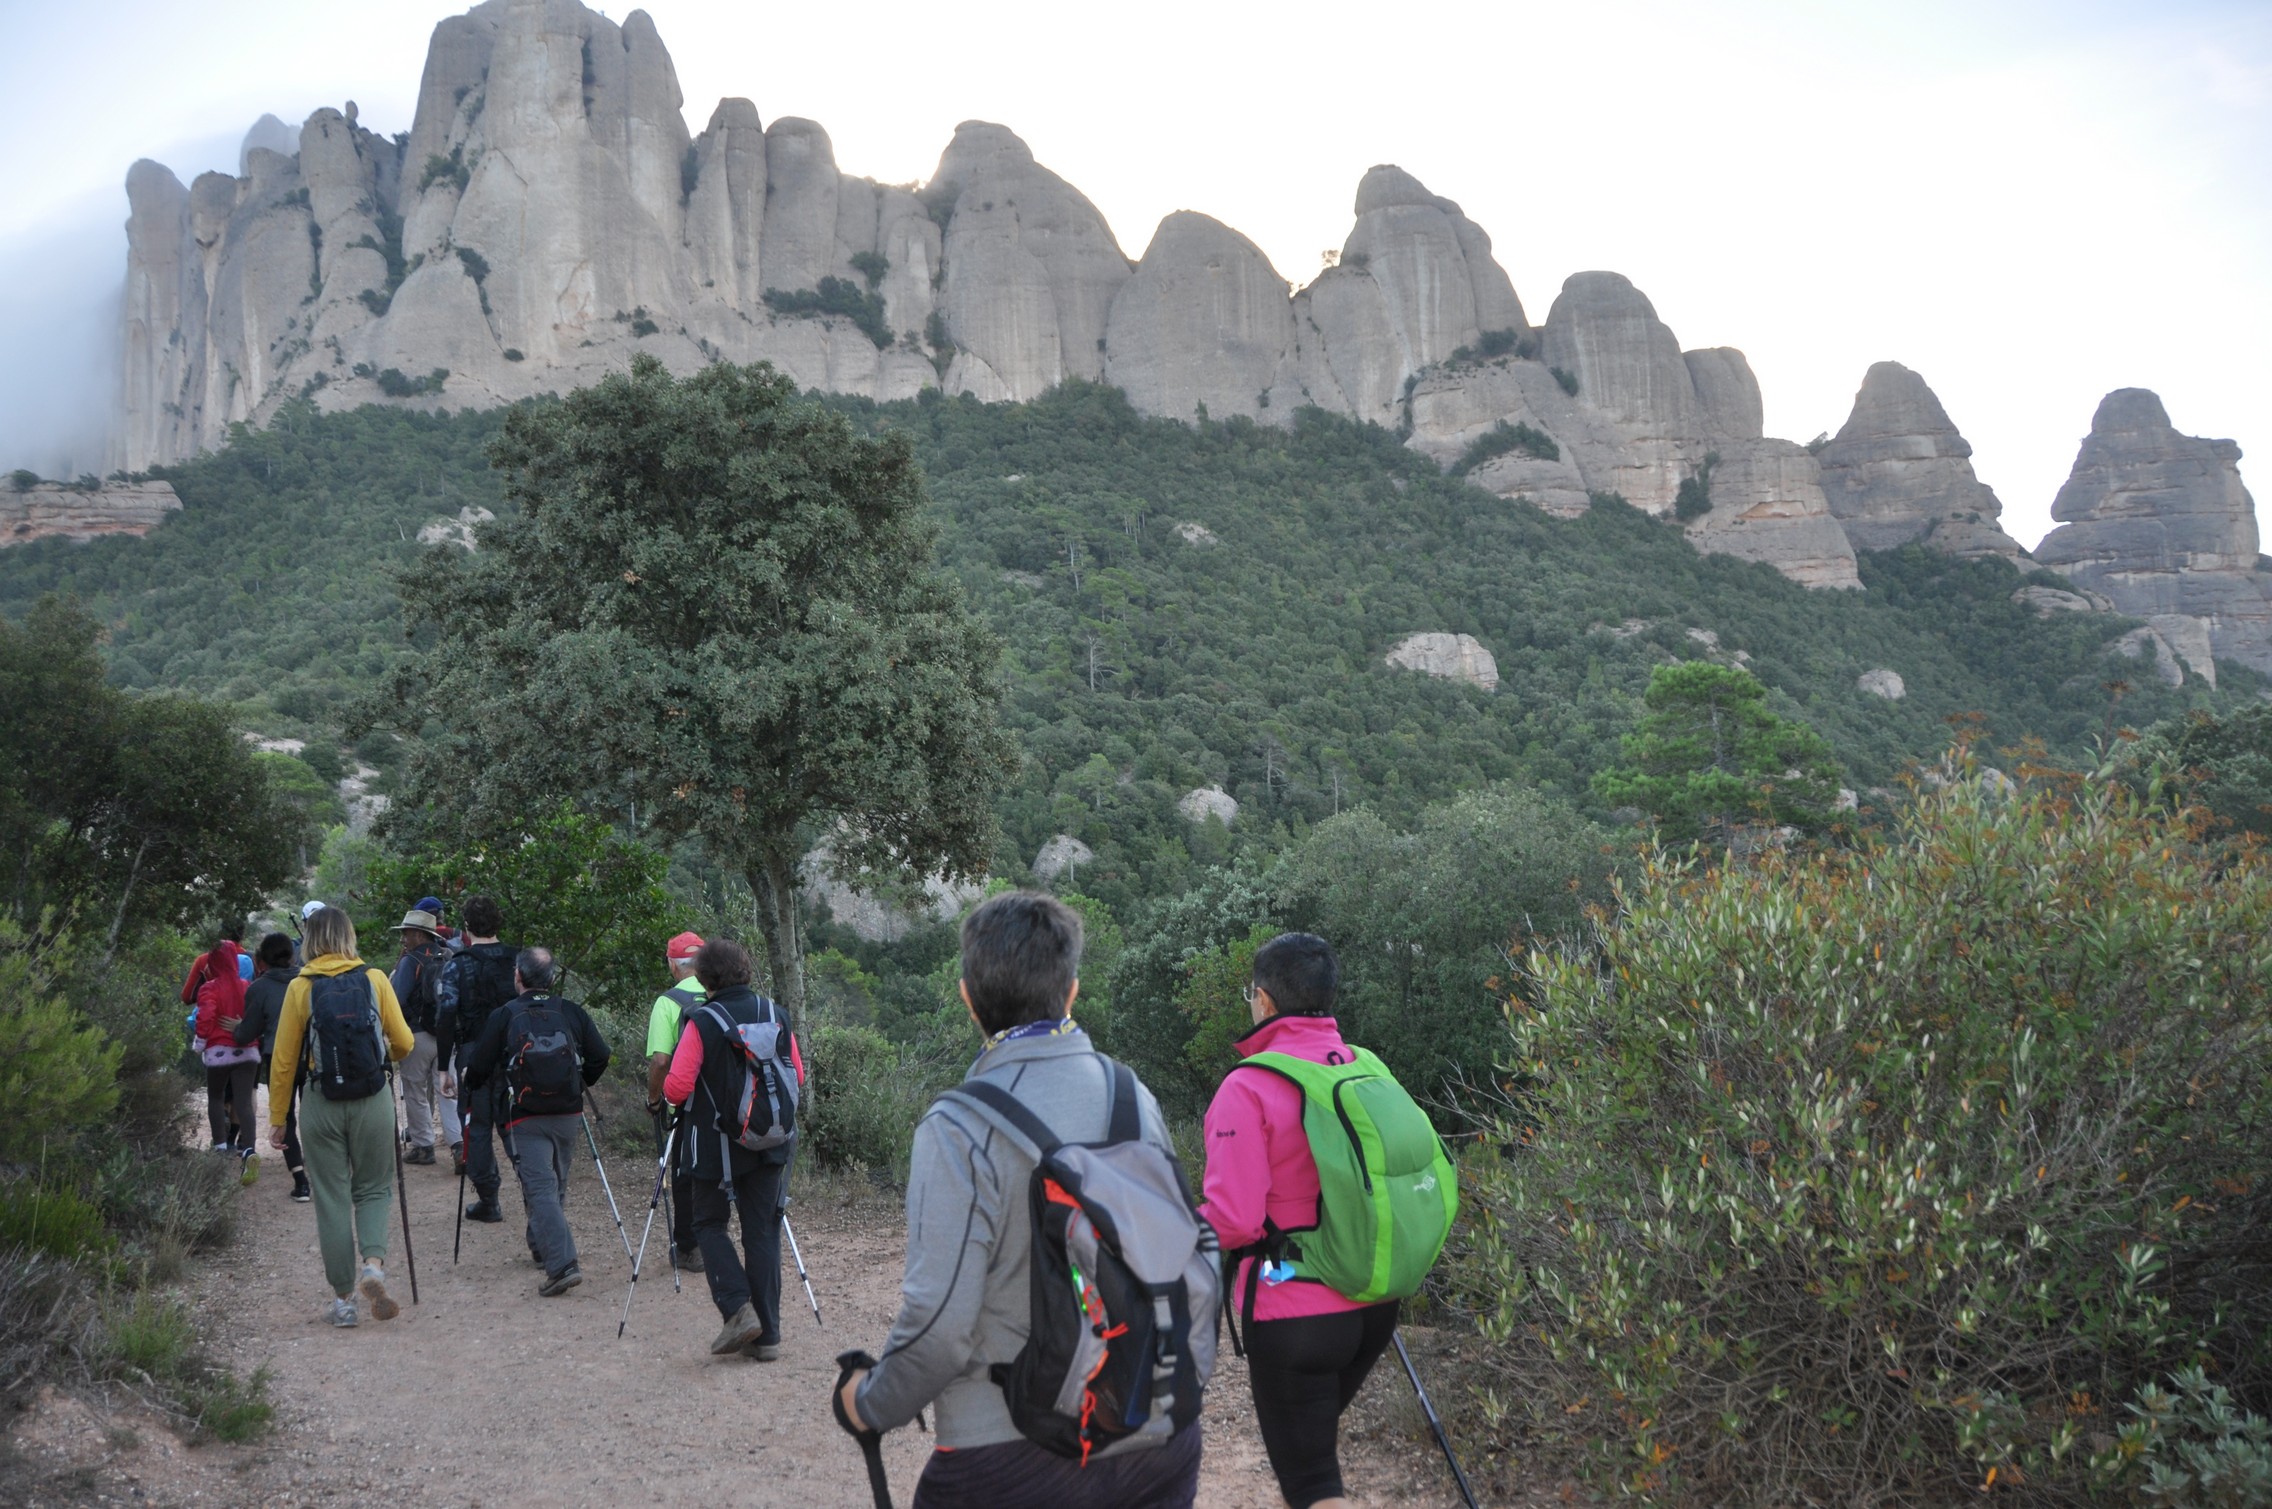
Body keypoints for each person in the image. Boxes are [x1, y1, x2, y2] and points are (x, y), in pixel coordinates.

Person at [837, 893, 1204, 1508]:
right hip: (1155, 1433)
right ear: (1072, 992)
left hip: (1010, 1454)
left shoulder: (958, 1128)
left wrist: (867, 1404)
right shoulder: (1133, 1096)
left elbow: (940, 1329)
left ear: (967, 998)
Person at [1197, 933, 1394, 1509]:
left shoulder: (1248, 1086)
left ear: (1263, 1000)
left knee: (1313, 1485)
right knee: (1311, 1459)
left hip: (1297, 1316)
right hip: (1375, 1305)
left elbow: (1234, 1221)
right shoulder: (1366, 1067)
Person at [267, 905, 414, 1328]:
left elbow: (283, 1061)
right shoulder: (375, 979)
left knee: (332, 1198)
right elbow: (404, 1042)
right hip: (372, 1097)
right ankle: (373, 1266)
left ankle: (344, 1302)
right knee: (373, 1188)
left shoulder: (300, 987)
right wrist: (383, 1057)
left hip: (322, 1101)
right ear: (349, 936)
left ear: (310, 940)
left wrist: (279, 1117)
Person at [662, 939, 800, 1359]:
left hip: (715, 1147)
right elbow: (797, 1076)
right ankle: (768, 1338)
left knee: (708, 1224)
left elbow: (677, 1088)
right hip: (770, 1141)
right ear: (745, 970)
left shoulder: (702, 1021)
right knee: (762, 1232)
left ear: (705, 978)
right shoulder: (775, 1014)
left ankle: (738, 1308)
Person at [459, 947, 611, 1296]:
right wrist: (579, 1082)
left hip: (525, 1116)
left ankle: (562, 1264)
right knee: (554, 1183)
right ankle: (542, 1247)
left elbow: (480, 1065)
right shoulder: (571, 1012)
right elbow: (601, 1055)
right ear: (552, 978)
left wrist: (470, 1082)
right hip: (568, 1112)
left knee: (540, 1187)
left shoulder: (505, 1014)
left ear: (517, 976)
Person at [435, 894, 518, 1215]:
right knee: (514, 1124)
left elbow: (446, 1015)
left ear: (466, 925)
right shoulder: (518, 960)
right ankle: (534, 1193)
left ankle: (489, 1200)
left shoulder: (458, 964)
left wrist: (444, 1068)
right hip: (514, 1053)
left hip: (473, 1054)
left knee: (477, 1126)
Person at [644, 930, 707, 1273]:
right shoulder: (721, 994)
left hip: (687, 1104)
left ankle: (688, 1248)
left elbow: (660, 1061)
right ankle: (715, 1238)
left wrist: (654, 1099)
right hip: (729, 1103)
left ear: (673, 964)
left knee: (684, 1176)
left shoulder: (668, 1002)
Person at [235, 933, 309, 1202]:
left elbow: (246, 1034)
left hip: (278, 1059)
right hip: (311, 1057)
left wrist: (236, 1028)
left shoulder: (259, 988)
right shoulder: (309, 980)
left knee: (285, 1117)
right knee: (313, 1114)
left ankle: (301, 1182)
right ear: (292, 955)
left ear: (261, 960)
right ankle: (327, 1173)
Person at [388, 907, 458, 1166]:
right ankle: (458, 1145)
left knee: (415, 1090)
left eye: (406, 933)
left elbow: (397, 999)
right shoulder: (449, 956)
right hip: (447, 1035)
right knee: (448, 1090)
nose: (404, 938)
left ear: (418, 934)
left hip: (417, 1035)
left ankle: (423, 1146)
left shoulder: (410, 961)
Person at [192, 928, 262, 1162]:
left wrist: (200, 1043)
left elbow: (205, 1017)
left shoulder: (209, 988)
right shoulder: (247, 986)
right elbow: (256, 1016)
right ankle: (249, 1150)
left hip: (219, 1051)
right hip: (247, 1051)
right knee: (244, 1103)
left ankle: (220, 1147)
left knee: (216, 1097)